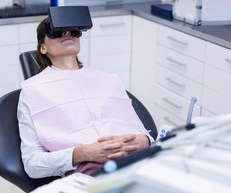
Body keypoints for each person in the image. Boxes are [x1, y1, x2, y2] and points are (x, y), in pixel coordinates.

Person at [17, 17, 155, 179]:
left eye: (73, 30)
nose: (67, 33)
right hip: (92, 172)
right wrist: (82, 153)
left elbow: (145, 135)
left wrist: (144, 141)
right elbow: (32, 164)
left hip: (138, 160)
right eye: (56, 31)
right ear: (42, 48)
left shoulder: (109, 80)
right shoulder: (32, 91)